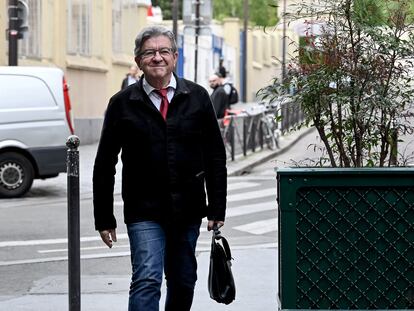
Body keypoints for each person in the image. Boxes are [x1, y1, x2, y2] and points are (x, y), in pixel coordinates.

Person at [93, 25, 227, 311]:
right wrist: (104, 217)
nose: (157, 58)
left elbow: (215, 155)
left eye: (164, 51)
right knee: (147, 278)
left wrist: (217, 208)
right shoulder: (122, 104)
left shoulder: (198, 97)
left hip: (188, 208)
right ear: (139, 60)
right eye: (149, 53)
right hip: (143, 209)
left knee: (183, 280)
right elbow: (105, 163)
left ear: (175, 57)